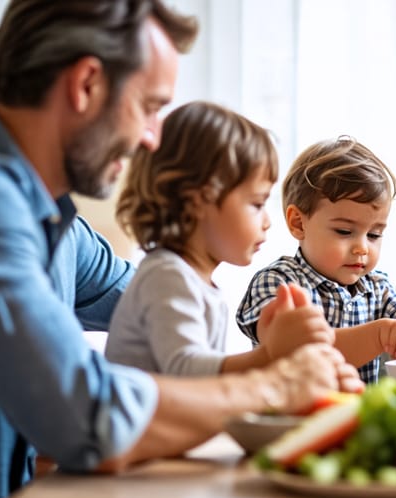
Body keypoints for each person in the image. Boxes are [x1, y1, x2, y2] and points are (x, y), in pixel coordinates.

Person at [0, 2, 361, 498]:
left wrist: (278, 340)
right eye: (150, 107)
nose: (151, 138)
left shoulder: (55, 225)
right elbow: (87, 418)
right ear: (86, 84)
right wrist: (277, 383)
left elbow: (160, 297)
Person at [105, 101, 334, 375]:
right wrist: (270, 354)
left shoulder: (195, 280)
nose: (267, 221)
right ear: (199, 200)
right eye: (257, 204)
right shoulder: (167, 276)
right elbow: (186, 370)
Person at [237, 136, 396, 383]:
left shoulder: (376, 286)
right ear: (298, 223)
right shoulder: (278, 282)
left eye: (374, 234)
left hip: (352, 416)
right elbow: (297, 350)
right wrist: (378, 335)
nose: (362, 248)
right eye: (344, 231)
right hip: (288, 416)